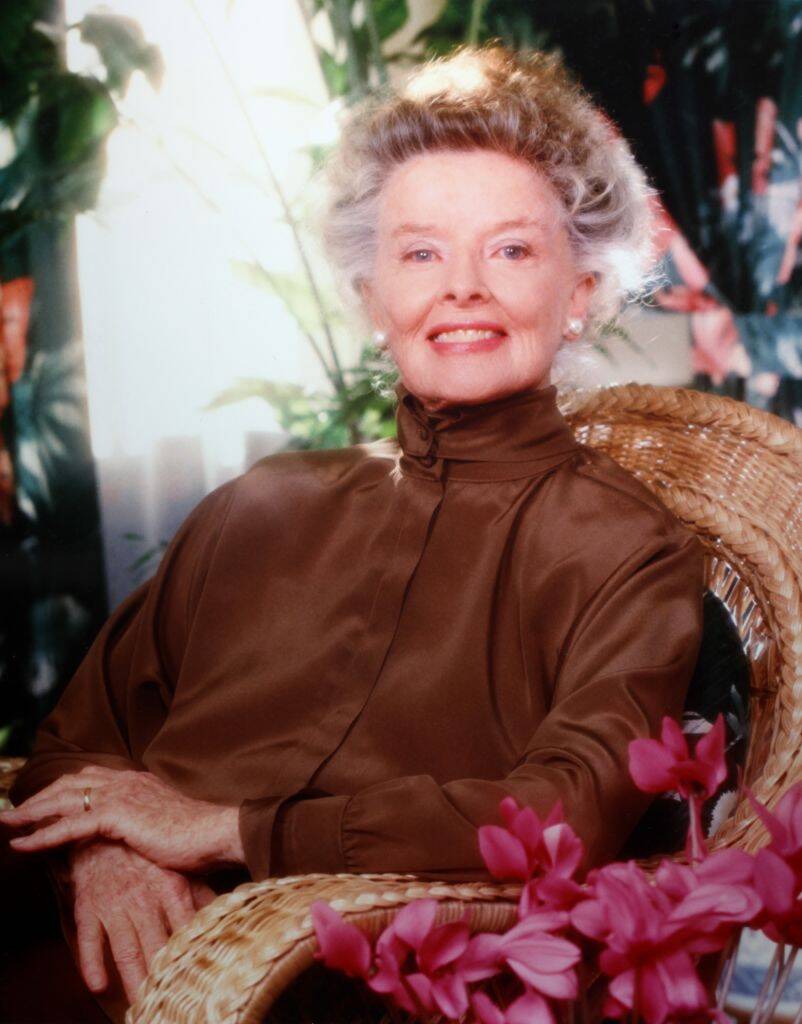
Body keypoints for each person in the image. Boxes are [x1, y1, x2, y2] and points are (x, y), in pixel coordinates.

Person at [0, 43, 706, 1023]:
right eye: (420, 252)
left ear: (580, 289)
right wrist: (108, 856)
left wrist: (223, 828)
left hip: (322, 985)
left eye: (510, 249)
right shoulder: (261, 503)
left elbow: (568, 809)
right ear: (373, 297)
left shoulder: (630, 550)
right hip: (99, 947)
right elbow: (76, 743)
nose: (460, 286)